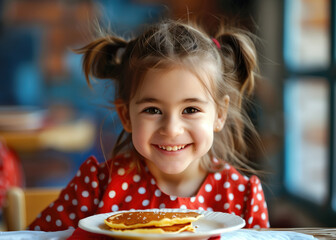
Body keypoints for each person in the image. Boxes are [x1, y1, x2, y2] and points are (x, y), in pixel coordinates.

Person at [28, 18, 270, 235]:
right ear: (126, 115)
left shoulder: (241, 196)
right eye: (153, 110)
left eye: (191, 110)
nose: (172, 129)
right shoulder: (95, 187)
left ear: (220, 114)